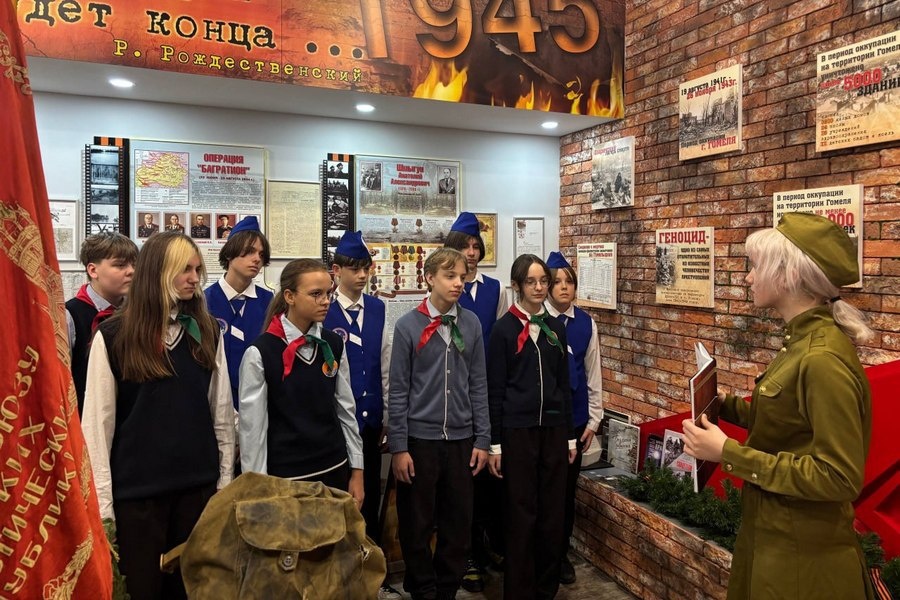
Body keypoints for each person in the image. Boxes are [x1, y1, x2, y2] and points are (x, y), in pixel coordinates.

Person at [682, 212, 875, 600]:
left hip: (802, 560)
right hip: (775, 538)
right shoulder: (800, 344)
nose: (748, 278)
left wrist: (728, 453)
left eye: (756, 266)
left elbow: (838, 476)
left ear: (788, 275)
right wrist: (725, 405)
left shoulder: (820, 358)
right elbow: (790, 423)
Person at [81, 231, 235, 600]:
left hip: (197, 493)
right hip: (138, 499)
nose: (195, 279)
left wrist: (224, 486)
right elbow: (97, 429)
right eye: (185, 270)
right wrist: (104, 510)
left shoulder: (207, 331)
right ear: (157, 272)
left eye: (197, 270)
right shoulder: (114, 336)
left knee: (193, 592)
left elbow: (222, 416)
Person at [389, 247, 490, 600]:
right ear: (429, 278)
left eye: (462, 276)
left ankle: (446, 589)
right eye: (450, 276)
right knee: (416, 524)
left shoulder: (471, 323)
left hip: (462, 441)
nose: (458, 283)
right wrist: (399, 447)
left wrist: (483, 439)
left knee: (458, 523)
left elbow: (479, 384)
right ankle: (423, 589)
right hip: (420, 441)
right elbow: (398, 390)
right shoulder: (407, 326)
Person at [238, 259, 364, 505]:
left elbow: (346, 411)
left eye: (328, 293)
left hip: (334, 468)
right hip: (287, 476)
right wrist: (258, 490)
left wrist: (357, 470)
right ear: (290, 296)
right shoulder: (261, 353)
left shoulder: (334, 344)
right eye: (316, 294)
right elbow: (253, 432)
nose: (325, 301)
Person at [487, 253, 576, 600]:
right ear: (517, 286)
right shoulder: (503, 330)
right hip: (517, 433)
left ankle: (545, 589)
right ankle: (519, 591)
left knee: (552, 514)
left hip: (554, 432)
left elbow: (563, 384)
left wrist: (570, 437)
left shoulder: (556, 328)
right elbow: (495, 390)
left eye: (543, 281)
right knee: (520, 515)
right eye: (531, 282)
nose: (539, 288)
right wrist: (495, 444)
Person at [322, 231, 400, 599]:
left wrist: (387, 415)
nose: (362, 275)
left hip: (369, 421)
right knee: (336, 500)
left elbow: (385, 362)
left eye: (366, 268)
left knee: (366, 498)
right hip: (336, 424)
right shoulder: (323, 308)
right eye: (354, 268)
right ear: (336, 270)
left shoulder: (378, 308)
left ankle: (370, 575)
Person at [443, 211, 508, 589]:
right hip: (451, 393)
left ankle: (485, 545)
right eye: (464, 245)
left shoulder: (494, 289)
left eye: (475, 246)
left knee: (486, 477)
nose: (471, 252)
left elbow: (499, 340)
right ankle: (464, 552)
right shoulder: (446, 285)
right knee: (459, 479)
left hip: (483, 390)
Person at [544, 251, 603, 585]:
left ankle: (560, 552)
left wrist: (594, 420)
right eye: (557, 282)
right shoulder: (537, 320)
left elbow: (593, 372)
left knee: (567, 491)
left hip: (576, 419)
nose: (564, 287)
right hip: (543, 420)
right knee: (542, 489)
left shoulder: (585, 323)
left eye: (569, 281)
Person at [65, 231, 138, 415]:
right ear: (93, 270)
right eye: (120, 265)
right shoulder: (70, 315)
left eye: (134, 264)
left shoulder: (137, 313)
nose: (131, 271)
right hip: (86, 416)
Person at [204, 215, 273, 408]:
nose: (257, 259)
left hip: (260, 400)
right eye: (249, 252)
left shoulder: (268, 302)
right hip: (215, 400)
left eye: (261, 254)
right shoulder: (204, 301)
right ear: (229, 254)